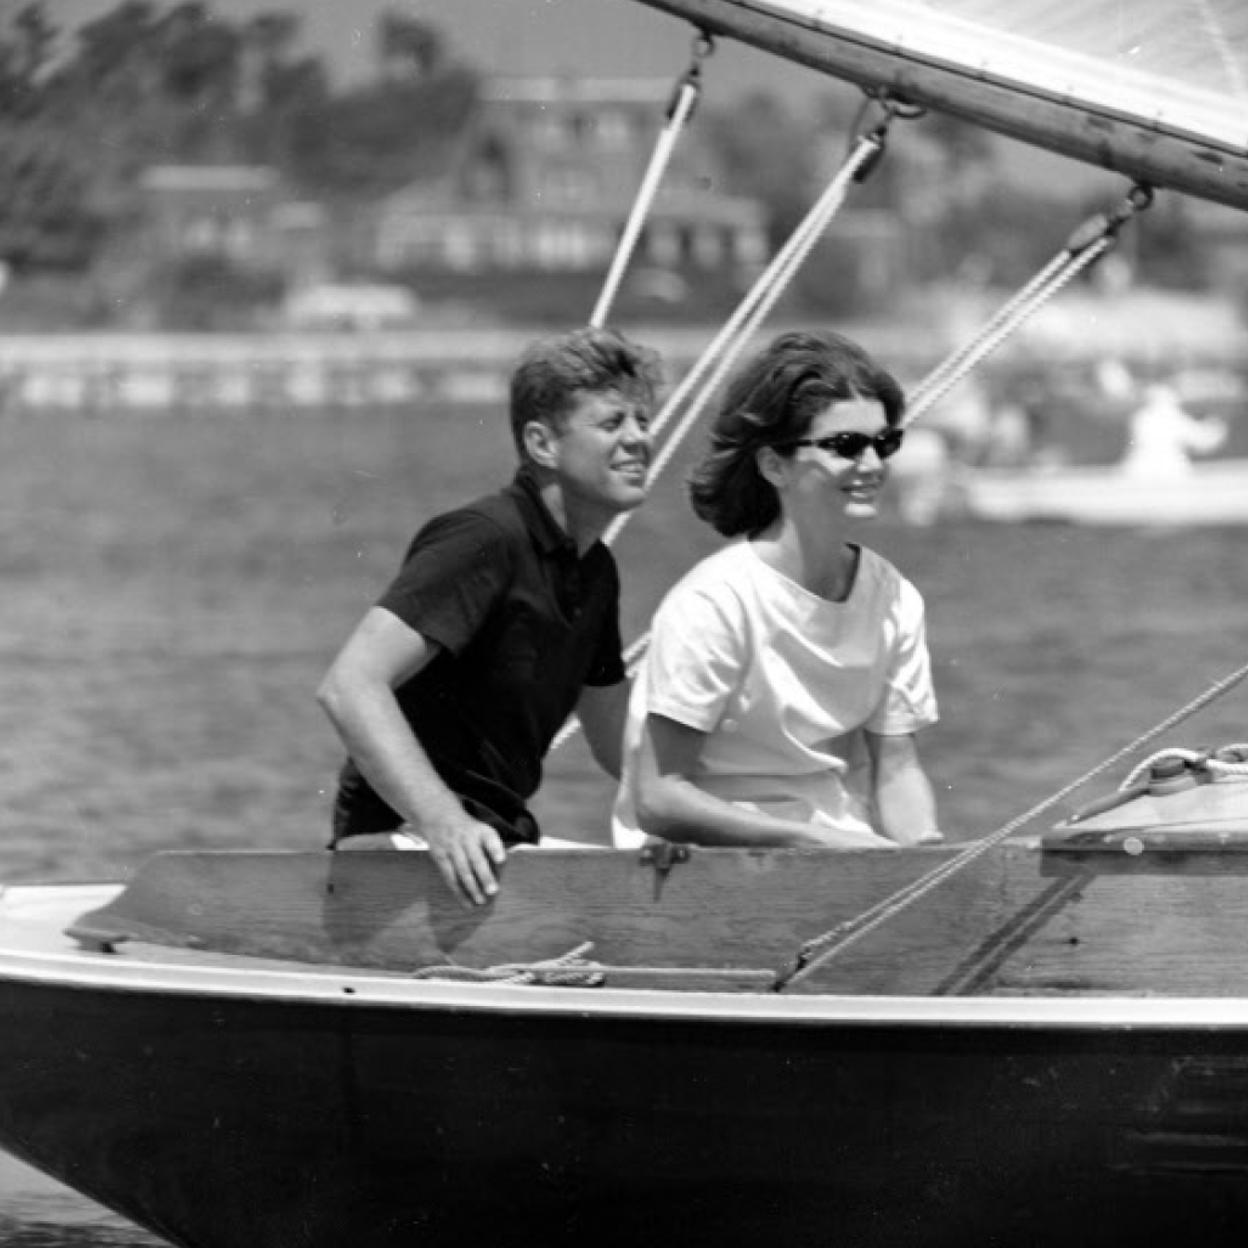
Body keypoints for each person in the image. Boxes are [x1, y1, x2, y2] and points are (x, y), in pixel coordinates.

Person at [318, 326, 661, 906]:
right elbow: (350, 686)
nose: (638, 441)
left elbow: (614, 740)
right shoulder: (485, 539)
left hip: (495, 843)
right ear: (542, 444)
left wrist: (693, 813)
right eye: (612, 424)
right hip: (403, 850)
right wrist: (442, 822)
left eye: (643, 422)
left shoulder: (594, 569)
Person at [612, 330, 941, 851]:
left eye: (885, 442)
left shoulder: (894, 599)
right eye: (846, 446)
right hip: (706, 869)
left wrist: (926, 854)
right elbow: (657, 796)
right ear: (773, 465)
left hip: (834, 857)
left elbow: (897, 772)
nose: (874, 464)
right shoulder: (715, 604)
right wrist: (807, 839)